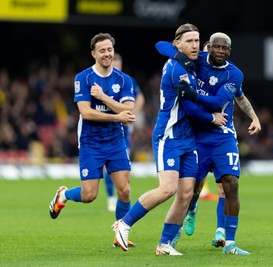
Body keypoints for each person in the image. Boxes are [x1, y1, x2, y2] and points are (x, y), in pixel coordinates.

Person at [112, 23, 227, 256]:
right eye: (189, 41)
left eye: (197, 41)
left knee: (186, 193)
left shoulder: (189, 60)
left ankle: (164, 244)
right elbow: (191, 107)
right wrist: (212, 118)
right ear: (178, 44)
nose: (194, 45)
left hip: (188, 138)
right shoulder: (178, 70)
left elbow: (161, 45)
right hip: (170, 135)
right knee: (167, 189)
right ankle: (123, 224)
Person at [156, 32, 262, 255]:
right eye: (217, 47)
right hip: (197, 135)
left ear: (230, 51)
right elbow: (162, 46)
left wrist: (191, 94)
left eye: (225, 48)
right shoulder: (196, 59)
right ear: (209, 47)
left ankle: (229, 242)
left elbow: (217, 102)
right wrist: (177, 51)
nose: (221, 51)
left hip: (223, 134)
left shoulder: (234, 74)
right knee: (191, 188)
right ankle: (187, 214)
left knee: (230, 183)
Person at [48, 33, 136, 245]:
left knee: (124, 189)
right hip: (91, 142)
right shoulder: (83, 78)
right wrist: (117, 115)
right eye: (102, 50)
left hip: (116, 140)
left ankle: (120, 234)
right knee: (89, 195)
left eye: (109, 50)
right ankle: (64, 195)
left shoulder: (124, 80)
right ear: (93, 54)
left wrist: (104, 98)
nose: (107, 54)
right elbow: (86, 113)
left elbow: (129, 110)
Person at [104, 53, 145, 213]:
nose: (115, 64)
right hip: (107, 126)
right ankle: (110, 197)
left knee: (123, 166)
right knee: (108, 166)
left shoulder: (127, 80)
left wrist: (132, 113)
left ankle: (122, 196)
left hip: (124, 128)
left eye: (117, 62)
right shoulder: (103, 80)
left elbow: (140, 97)